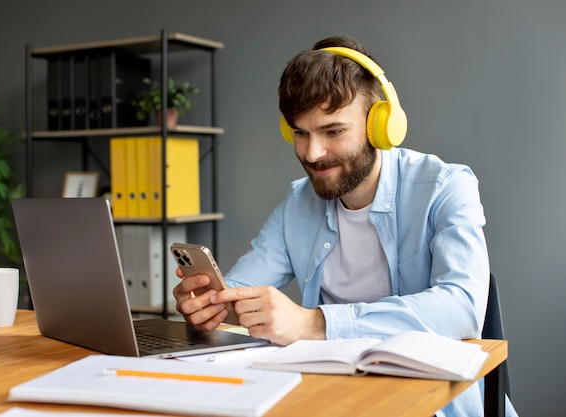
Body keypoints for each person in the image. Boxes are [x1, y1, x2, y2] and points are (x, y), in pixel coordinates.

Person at [173, 35, 517, 417]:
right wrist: (214, 304)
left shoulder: (446, 187)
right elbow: (242, 286)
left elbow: (462, 307)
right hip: (331, 398)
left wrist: (316, 322)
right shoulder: (297, 202)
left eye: (332, 131)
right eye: (300, 133)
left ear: (379, 125)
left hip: (432, 404)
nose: (312, 153)